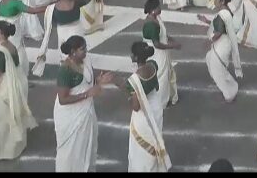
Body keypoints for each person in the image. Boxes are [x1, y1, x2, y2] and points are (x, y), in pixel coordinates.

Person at [54, 35, 113, 172]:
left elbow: (89, 83)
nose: (85, 51)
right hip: (72, 117)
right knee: (72, 152)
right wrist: (87, 94)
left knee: (87, 146)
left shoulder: (86, 60)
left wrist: (99, 80)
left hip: (86, 113)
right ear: (73, 52)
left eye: (85, 48)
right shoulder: (65, 70)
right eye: (82, 49)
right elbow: (63, 100)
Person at [0, 20, 37, 160]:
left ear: (0, 33)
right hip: (18, 82)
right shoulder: (11, 46)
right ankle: (14, 149)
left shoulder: (0, 51)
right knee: (12, 116)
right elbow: (2, 67)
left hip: (6, 87)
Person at [113, 41, 171, 172]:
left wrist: (119, 84)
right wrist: (124, 85)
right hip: (156, 107)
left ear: (135, 57)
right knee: (155, 139)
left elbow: (136, 106)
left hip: (144, 114)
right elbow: (141, 88)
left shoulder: (134, 79)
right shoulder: (153, 65)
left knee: (142, 149)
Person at [198, 0, 243, 102]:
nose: (214, 1)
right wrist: (206, 21)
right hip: (224, 42)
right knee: (210, 58)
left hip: (222, 44)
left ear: (222, 1)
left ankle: (229, 94)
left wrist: (209, 41)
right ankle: (229, 83)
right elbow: (220, 26)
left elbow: (218, 32)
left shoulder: (223, 14)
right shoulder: (226, 12)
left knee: (216, 65)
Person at [142, 0, 181, 111]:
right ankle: (161, 102)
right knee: (162, 76)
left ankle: (168, 96)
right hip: (157, 53)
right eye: (158, 7)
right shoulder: (151, 25)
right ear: (153, 10)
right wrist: (172, 46)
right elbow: (157, 44)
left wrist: (171, 39)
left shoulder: (156, 19)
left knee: (166, 74)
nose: (160, 8)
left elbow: (163, 35)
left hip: (161, 52)